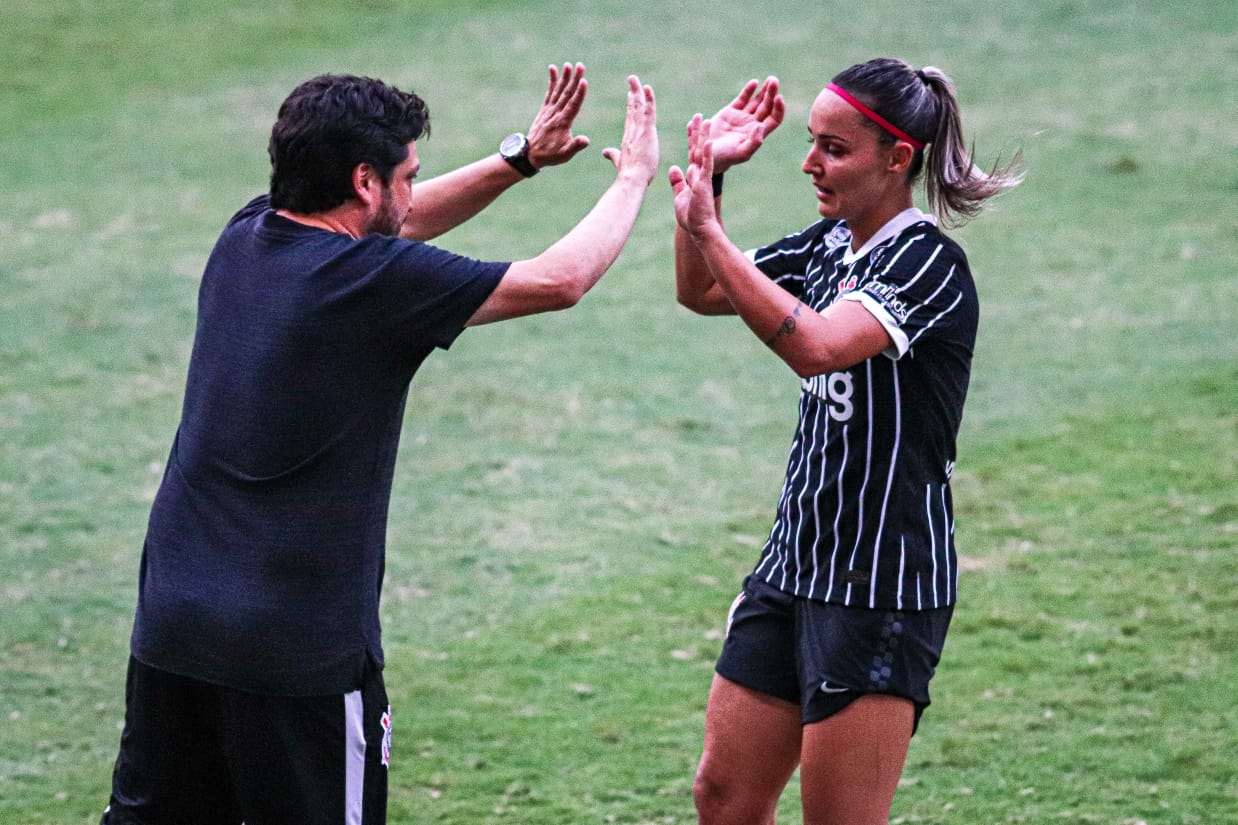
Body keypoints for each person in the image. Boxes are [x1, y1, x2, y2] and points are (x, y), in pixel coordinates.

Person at [100, 63, 658, 825]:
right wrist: (632, 179)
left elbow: (402, 220)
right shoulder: (370, 283)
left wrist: (520, 159)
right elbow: (560, 280)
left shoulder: (246, 238)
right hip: (296, 655)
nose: (408, 192)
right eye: (404, 176)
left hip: (173, 629)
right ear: (365, 181)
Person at [669, 58, 1022, 824]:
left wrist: (707, 228)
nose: (809, 163)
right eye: (810, 142)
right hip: (793, 565)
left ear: (898, 158)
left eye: (834, 148)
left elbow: (820, 346)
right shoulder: (830, 242)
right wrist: (714, 186)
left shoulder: (928, 263)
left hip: (880, 586)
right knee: (722, 797)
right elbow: (702, 290)